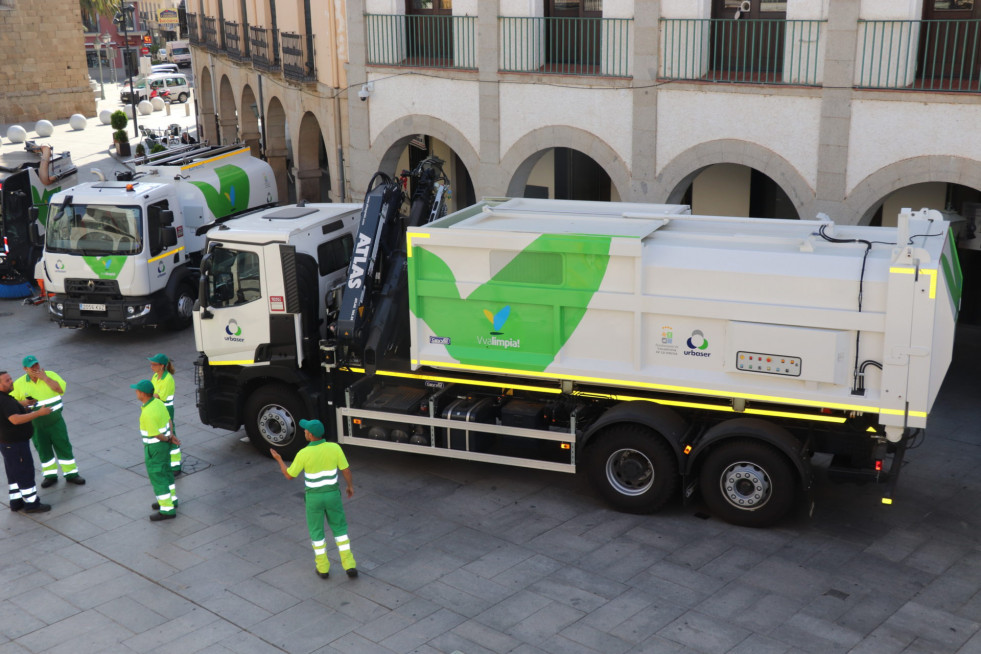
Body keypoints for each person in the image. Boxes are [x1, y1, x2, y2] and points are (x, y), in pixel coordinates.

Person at [270, 419, 357, 579]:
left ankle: (323, 568)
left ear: (310, 434)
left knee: (317, 533)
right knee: (340, 530)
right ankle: (349, 564)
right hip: (332, 496)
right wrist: (349, 486)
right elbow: (346, 470)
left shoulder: (304, 453)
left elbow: (289, 475)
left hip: (314, 498)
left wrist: (279, 460)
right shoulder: (334, 448)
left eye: (305, 430)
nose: (304, 432)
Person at [11, 355, 85, 488]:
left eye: (36, 365)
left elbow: (60, 389)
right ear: (25, 369)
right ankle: (50, 475)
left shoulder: (50, 375)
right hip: (36, 425)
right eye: (31, 366)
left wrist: (44, 378)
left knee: (63, 446)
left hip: (56, 422)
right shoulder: (19, 384)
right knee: (43, 449)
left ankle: (72, 474)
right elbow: (11, 403)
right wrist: (25, 403)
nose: (35, 368)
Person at [0, 370, 53, 513]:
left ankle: (16, 502)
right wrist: (37, 413)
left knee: (13, 473)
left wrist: (24, 405)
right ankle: (31, 504)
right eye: (7, 380)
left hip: (7, 444)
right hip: (16, 445)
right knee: (24, 472)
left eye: (10, 378)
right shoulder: (4, 401)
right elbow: (15, 419)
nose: (11, 381)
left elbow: (11, 408)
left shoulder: (5, 398)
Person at [132, 379, 179, 521]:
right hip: (165, 447)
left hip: (155, 448)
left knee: (158, 476)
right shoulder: (158, 403)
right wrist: (171, 436)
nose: (135, 392)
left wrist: (167, 439)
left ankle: (167, 509)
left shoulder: (147, 412)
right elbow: (169, 421)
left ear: (142, 393)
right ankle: (172, 500)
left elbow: (156, 435)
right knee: (167, 472)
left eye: (137, 390)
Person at [148, 354, 181, 478]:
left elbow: (157, 395)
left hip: (166, 409)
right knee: (163, 433)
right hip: (158, 407)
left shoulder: (168, 379)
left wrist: (149, 396)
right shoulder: (156, 376)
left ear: (161, 366)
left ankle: (176, 465)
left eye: (154, 364)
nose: (151, 367)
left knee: (170, 434)